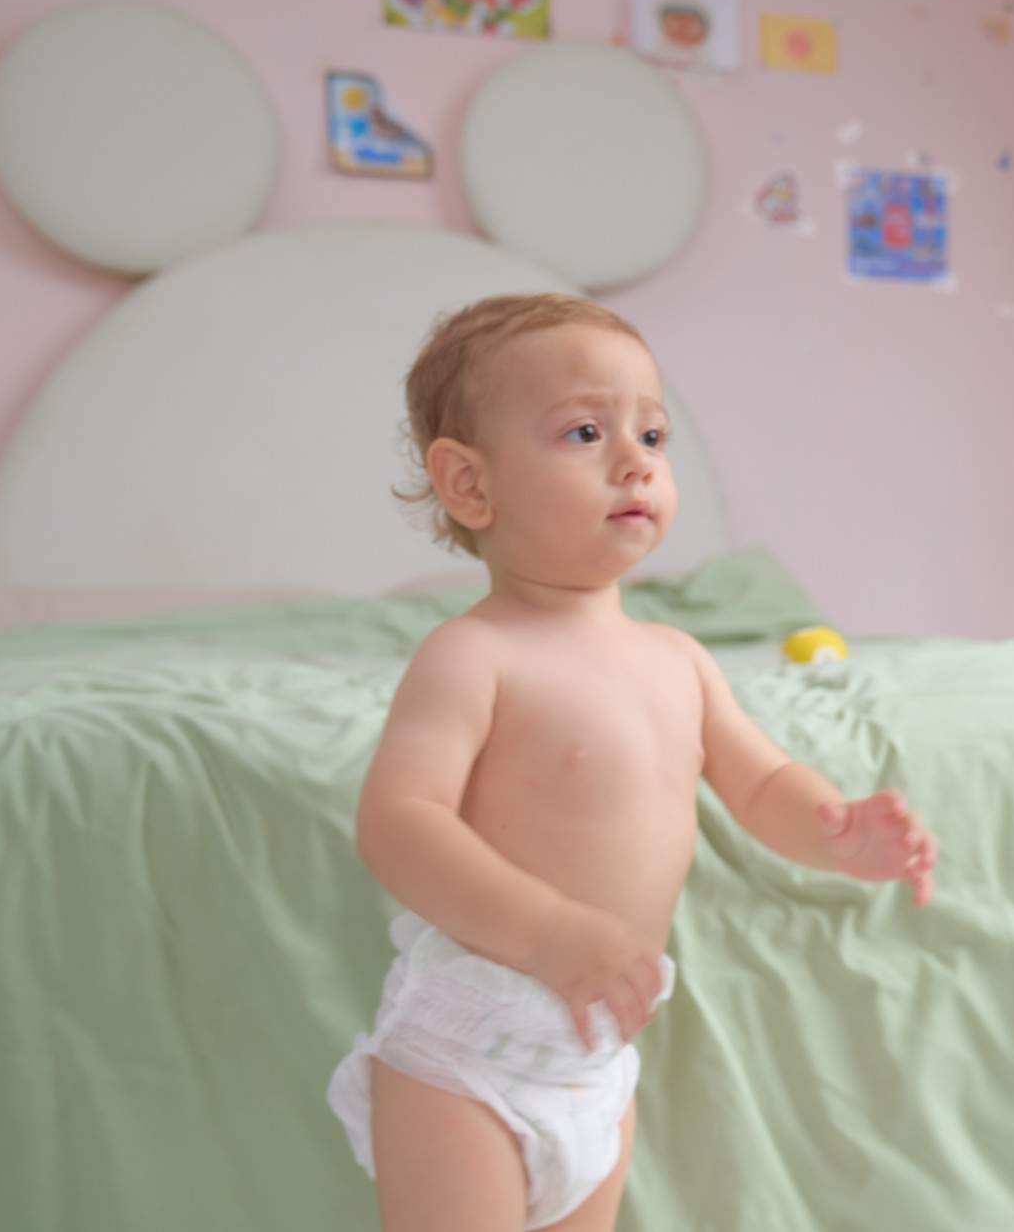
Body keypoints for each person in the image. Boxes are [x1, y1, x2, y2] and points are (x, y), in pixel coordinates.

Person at [327, 293, 938, 1231]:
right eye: (585, 431)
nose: (636, 459)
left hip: (597, 1049)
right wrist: (546, 931)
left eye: (651, 433)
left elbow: (763, 785)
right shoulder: (474, 654)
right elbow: (399, 821)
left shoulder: (678, 659)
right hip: (470, 1050)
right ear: (469, 483)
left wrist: (837, 828)